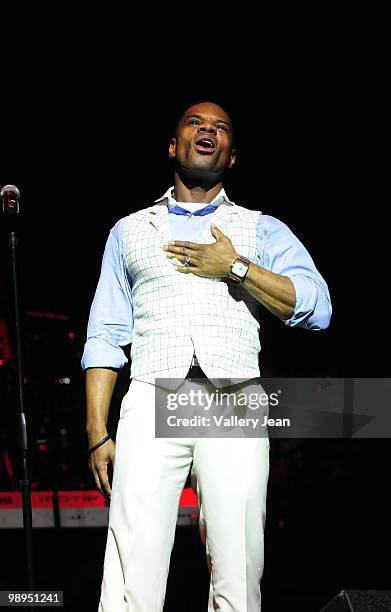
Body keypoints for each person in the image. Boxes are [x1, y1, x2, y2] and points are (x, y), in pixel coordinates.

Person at [82, 101, 332, 612]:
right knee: (132, 564)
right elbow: (106, 333)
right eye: (196, 123)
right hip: (153, 393)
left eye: (220, 127)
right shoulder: (129, 230)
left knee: (238, 567)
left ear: (232, 157)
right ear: (172, 146)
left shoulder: (262, 229)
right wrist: (96, 432)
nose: (208, 130)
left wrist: (236, 266)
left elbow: (316, 306)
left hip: (234, 399)